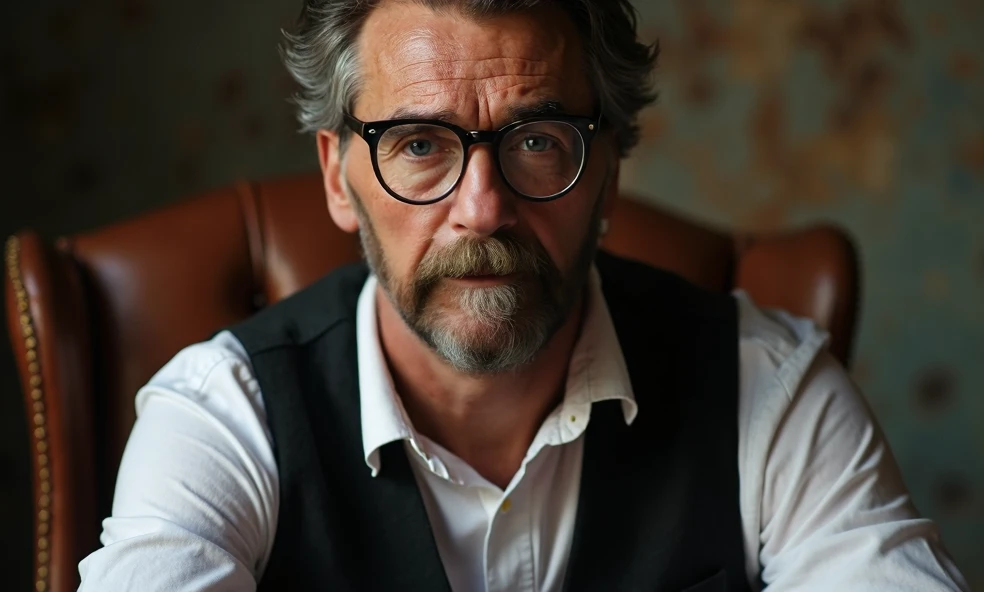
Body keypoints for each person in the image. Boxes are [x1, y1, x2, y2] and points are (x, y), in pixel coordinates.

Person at [77, 0, 968, 590]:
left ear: (608, 172)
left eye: (537, 140)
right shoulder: (222, 416)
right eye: (421, 143)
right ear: (338, 179)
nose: (483, 208)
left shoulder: (771, 392)